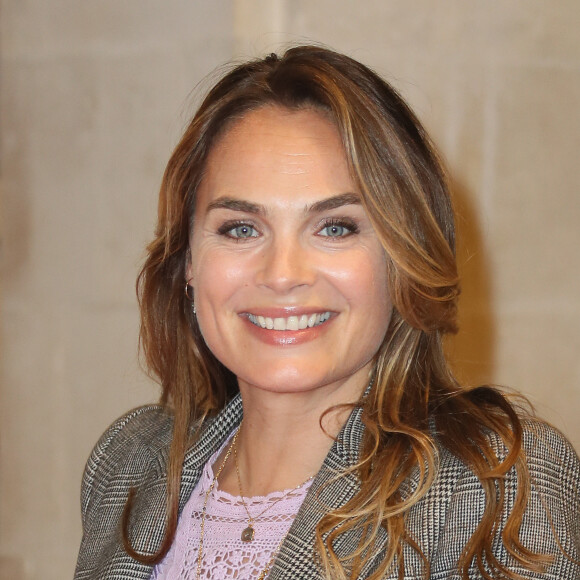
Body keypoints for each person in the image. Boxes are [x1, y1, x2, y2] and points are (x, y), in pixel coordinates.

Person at [74, 46, 580, 580]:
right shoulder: (127, 461)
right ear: (188, 263)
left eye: (335, 227)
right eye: (240, 228)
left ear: (401, 259)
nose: (282, 273)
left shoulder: (497, 484)